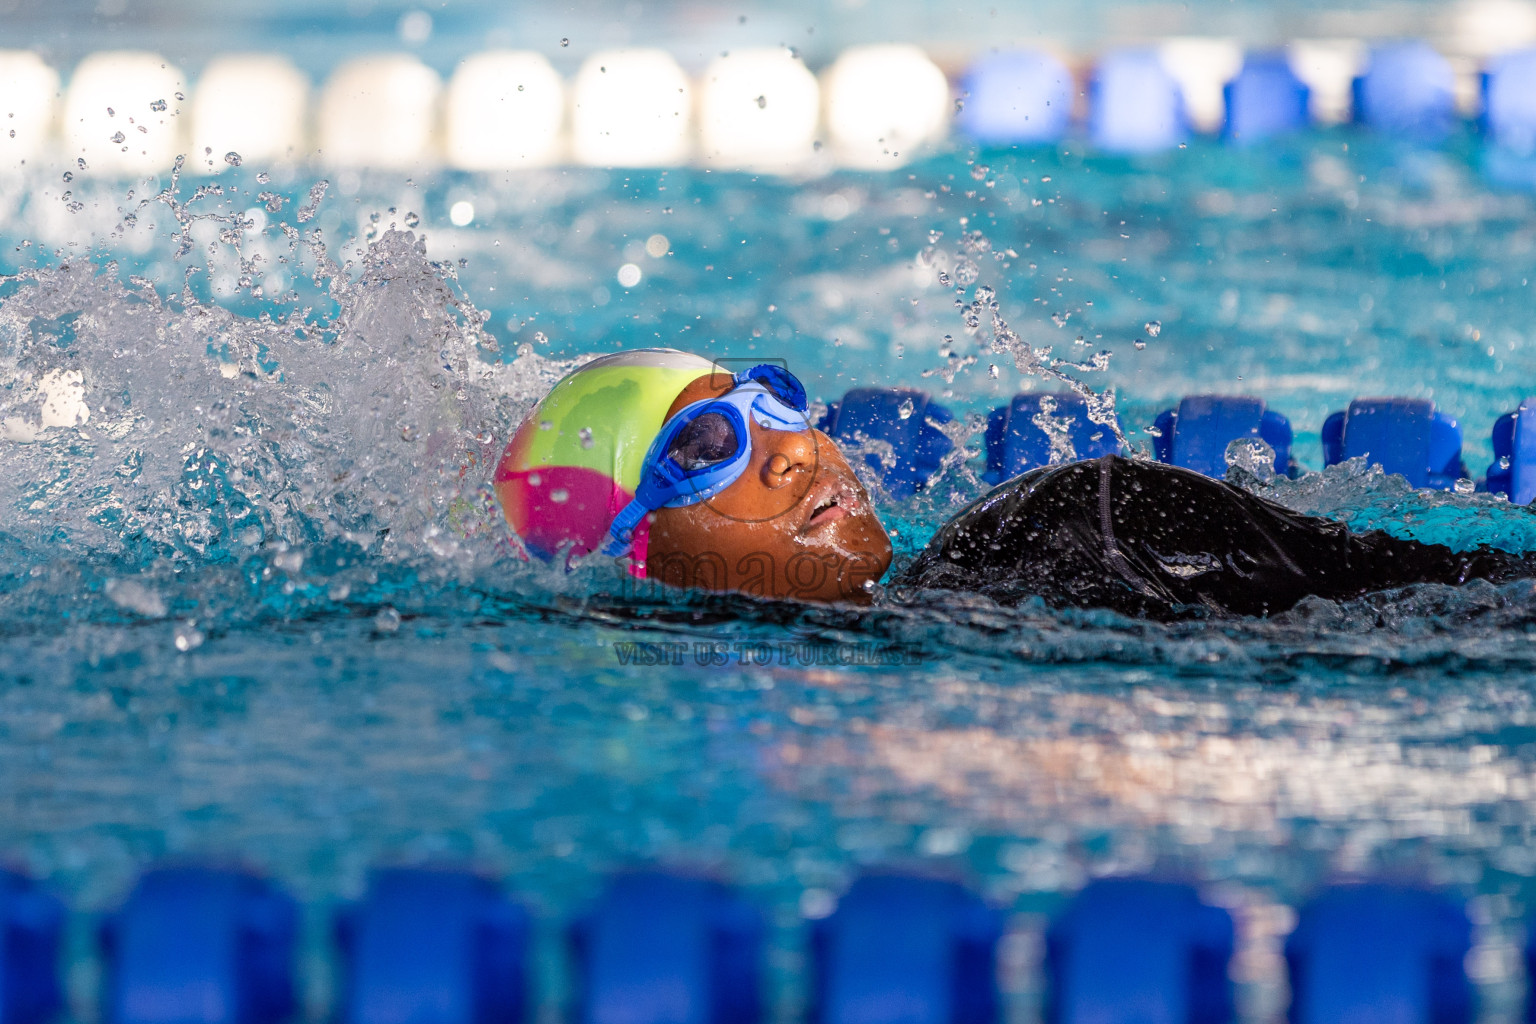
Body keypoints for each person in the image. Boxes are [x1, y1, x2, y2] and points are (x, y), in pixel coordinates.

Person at [495, 349, 1536, 618]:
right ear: (636, 557)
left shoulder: (1081, 521)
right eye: (702, 447)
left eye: (777, 404)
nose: (796, 449)